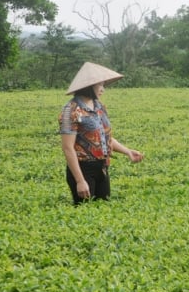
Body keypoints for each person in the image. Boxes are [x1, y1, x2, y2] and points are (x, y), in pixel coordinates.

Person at [59, 62, 144, 205]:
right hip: (83, 168)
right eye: (100, 85)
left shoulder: (99, 106)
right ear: (88, 86)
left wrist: (127, 151)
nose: (103, 89)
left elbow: (104, 137)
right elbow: (68, 148)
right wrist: (80, 181)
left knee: (103, 208)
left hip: (102, 167)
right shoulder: (70, 110)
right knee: (84, 214)